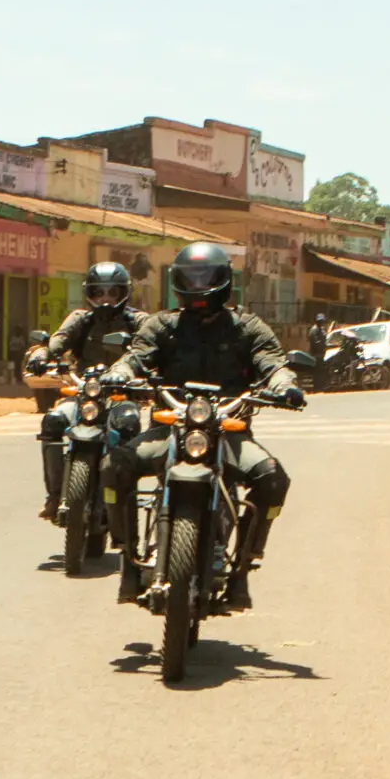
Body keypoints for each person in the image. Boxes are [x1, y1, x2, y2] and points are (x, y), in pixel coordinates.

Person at [109, 243, 304, 609]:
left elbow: (273, 361)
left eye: (207, 277)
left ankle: (244, 565)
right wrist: (119, 373)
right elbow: (135, 356)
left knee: (273, 480)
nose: (198, 285)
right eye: (190, 277)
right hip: (170, 428)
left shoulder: (247, 326)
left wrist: (284, 385)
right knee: (113, 466)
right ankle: (127, 558)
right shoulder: (162, 324)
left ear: (225, 281)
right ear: (178, 281)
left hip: (230, 431)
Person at [36, 263, 150, 522]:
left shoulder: (139, 321)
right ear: (90, 293)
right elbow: (59, 339)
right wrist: (43, 353)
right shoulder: (80, 319)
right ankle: (55, 495)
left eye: (112, 293)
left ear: (124, 294)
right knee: (53, 421)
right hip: (84, 393)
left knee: (129, 425)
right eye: (99, 292)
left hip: (122, 396)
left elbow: (150, 346)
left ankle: (124, 501)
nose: (105, 299)